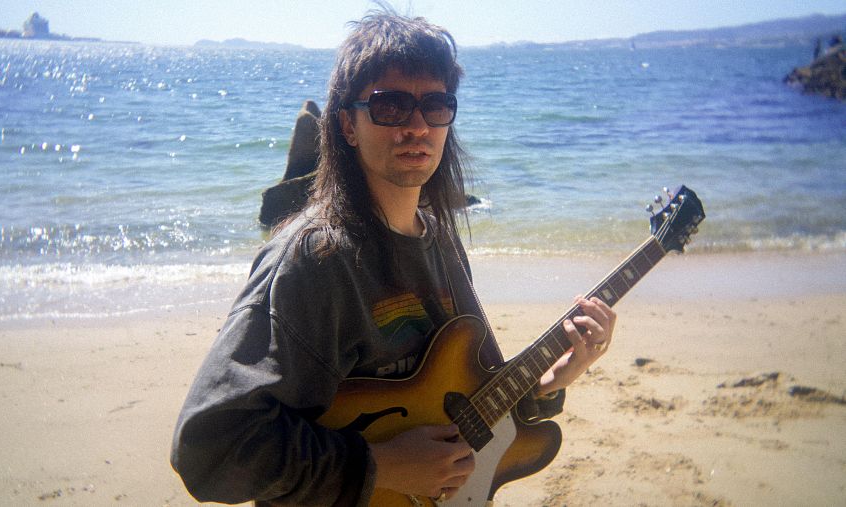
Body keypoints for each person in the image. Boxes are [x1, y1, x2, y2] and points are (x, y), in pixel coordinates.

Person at [170, 8, 616, 506]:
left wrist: (551, 382)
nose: (417, 126)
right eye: (390, 106)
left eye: (436, 106)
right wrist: (381, 465)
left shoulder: (440, 239)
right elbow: (209, 448)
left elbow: (463, 408)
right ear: (348, 125)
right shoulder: (316, 262)